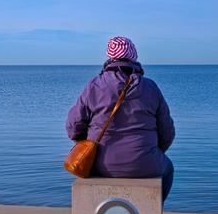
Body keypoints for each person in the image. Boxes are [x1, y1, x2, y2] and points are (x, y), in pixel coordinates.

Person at [66, 37, 175, 201]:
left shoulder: (94, 86)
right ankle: (152, 213)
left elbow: (73, 127)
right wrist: (149, 152)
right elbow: (167, 132)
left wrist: (88, 144)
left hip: (100, 163)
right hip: (145, 162)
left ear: (110, 57)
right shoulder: (150, 87)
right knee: (168, 169)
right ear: (134, 57)